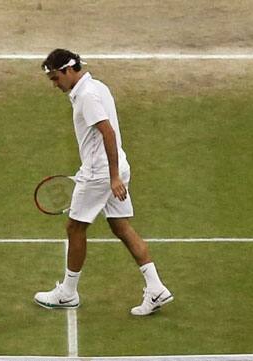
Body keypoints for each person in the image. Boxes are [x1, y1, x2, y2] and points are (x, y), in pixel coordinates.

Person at [34, 48, 173, 316]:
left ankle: (67, 294)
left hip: (102, 172)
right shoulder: (97, 87)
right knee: (121, 226)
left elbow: (107, 133)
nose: (54, 84)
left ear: (68, 70)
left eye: (55, 78)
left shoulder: (86, 96)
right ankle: (156, 288)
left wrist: (112, 178)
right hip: (114, 165)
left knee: (75, 227)